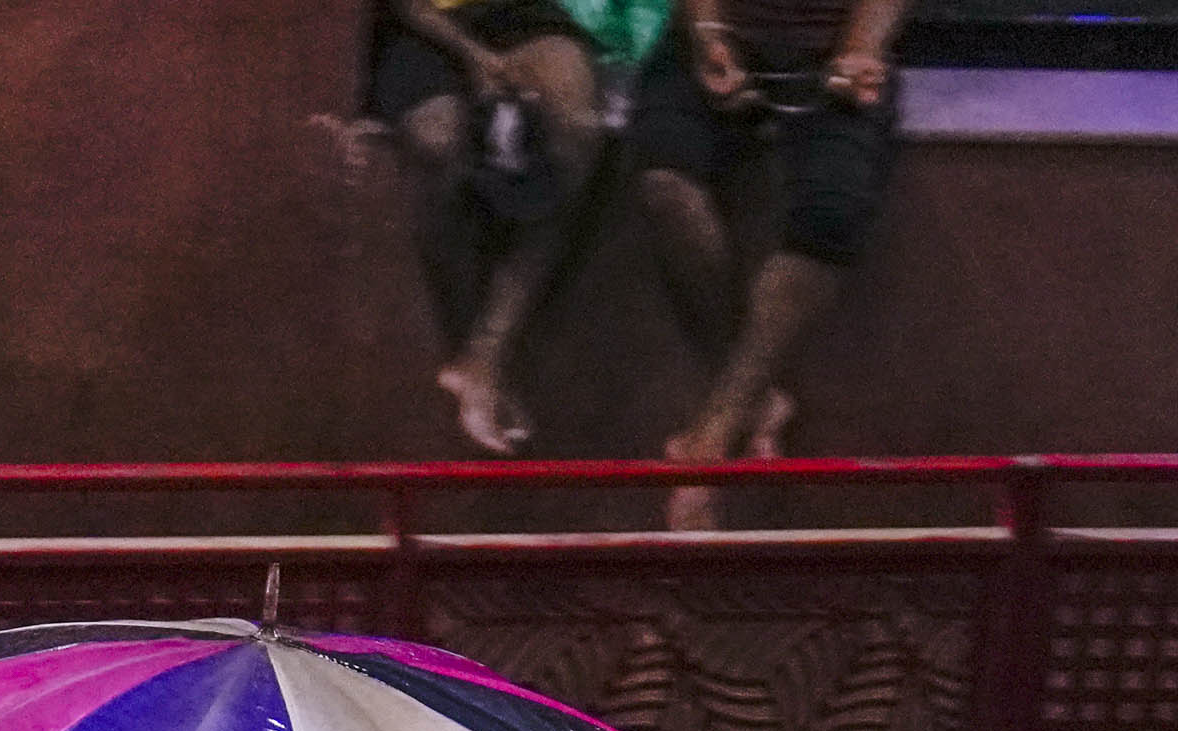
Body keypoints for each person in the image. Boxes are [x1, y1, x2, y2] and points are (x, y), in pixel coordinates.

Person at [628, 0, 911, 528]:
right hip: (711, 35)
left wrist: (860, 50)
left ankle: (710, 442)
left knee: (831, 215)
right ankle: (755, 396)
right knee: (665, 186)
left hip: (832, 51)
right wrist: (711, 36)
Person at [366, 0, 671, 455]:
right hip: (424, 27)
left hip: (527, 16)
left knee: (578, 129)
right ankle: (461, 343)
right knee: (439, 140)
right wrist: (472, 55)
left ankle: (486, 355)